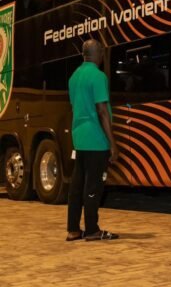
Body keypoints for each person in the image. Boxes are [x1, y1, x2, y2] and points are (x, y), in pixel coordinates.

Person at [66, 39, 119, 242]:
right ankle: (92, 230)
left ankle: (73, 229)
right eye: (102, 53)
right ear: (98, 54)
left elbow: (74, 107)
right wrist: (112, 143)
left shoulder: (74, 76)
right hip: (96, 138)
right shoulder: (98, 76)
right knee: (93, 186)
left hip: (79, 137)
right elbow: (102, 110)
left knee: (77, 185)